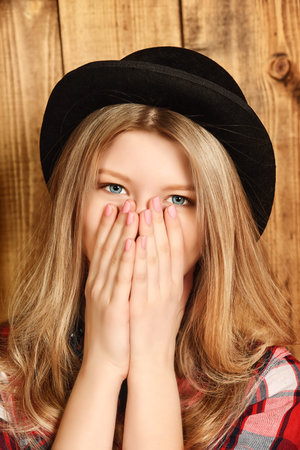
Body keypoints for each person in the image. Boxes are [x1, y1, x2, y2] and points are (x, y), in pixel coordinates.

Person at [0, 46, 299, 449]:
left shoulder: (269, 388)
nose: (139, 220)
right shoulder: (7, 374)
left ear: (216, 228)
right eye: (114, 187)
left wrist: (152, 365)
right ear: (73, 204)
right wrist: (101, 368)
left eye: (178, 200)